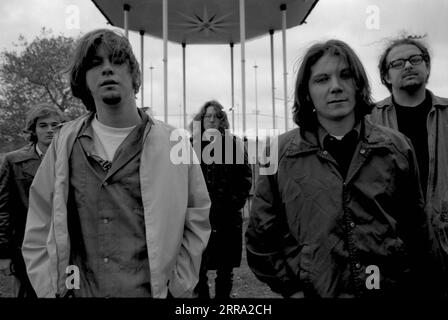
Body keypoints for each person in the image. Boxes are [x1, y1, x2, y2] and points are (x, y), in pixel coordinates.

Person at [21, 29, 211, 298]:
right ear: (83, 80)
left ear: (134, 75)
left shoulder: (175, 143)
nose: (107, 69)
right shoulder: (64, 143)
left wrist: (177, 286)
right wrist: (50, 288)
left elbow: (197, 216)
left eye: (117, 60)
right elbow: (40, 219)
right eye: (95, 63)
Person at [245, 39, 431, 298]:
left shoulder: (396, 148)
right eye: (322, 79)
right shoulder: (279, 154)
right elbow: (260, 240)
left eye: (345, 75)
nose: (335, 87)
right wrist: (293, 288)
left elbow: (417, 233)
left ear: (358, 84)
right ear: (307, 92)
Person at [369, 36, 448, 296]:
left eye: (415, 59)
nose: (408, 66)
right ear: (386, 75)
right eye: (398, 63)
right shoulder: (368, 120)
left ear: (427, 66)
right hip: (391, 246)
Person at [0, 103, 64, 297]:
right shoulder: (14, 161)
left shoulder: (72, 158)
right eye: (43, 125)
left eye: (55, 125)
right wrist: (3, 252)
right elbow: (3, 208)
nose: (50, 130)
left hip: (65, 245)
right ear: (33, 130)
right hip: (27, 245)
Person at [190, 100, 252, 298]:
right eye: (207, 116)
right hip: (198, 216)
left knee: (225, 269)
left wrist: (234, 202)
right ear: (201, 119)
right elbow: (180, 177)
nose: (211, 120)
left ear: (222, 120)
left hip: (226, 216)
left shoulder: (233, 144)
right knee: (198, 267)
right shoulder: (191, 145)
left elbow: (245, 175)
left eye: (216, 116)